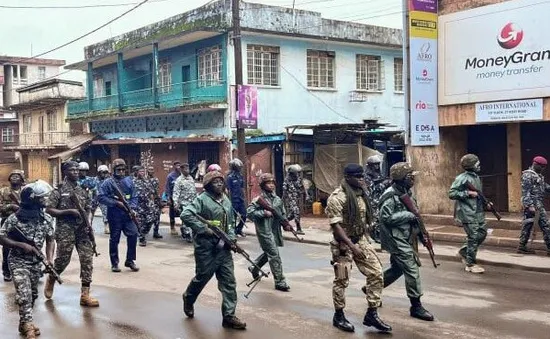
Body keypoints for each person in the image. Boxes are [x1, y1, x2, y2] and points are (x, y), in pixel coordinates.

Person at [325, 163, 391, 333]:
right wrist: (352, 247)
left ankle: (372, 313)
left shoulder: (361, 194)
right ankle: (339, 315)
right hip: (343, 244)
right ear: (347, 177)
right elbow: (336, 227)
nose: (362, 179)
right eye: (358, 176)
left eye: (362, 176)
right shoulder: (337, 197)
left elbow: (363, 218)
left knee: (376, 273)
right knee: (342, 280)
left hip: (360, 239)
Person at [181, 170, 246, 330]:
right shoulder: (202, 200)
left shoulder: (226, 200)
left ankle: (229, 316)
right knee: (202, 277)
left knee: (229, 282)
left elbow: (230, 222)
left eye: (221, 182)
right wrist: (204, 229)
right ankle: (188, 298)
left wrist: (231, 239)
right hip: (206, 249)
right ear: (208, 185)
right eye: (215, 182)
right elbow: (186, 214)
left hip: (224, 249)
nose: (219, 184)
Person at [379, 162, 434, 322]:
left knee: (397, 270)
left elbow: (416, 216)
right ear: (402, 178)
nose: (413, 180)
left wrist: (422, 236)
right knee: (411, 269)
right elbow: (386, 218)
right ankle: (416, 306)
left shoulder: (407, 193)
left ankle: (372, 288)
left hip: (407, 237)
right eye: (410, 177)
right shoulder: (390, 195)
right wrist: (407, 215)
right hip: (396, 239)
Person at [0, 180, 55, 339]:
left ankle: (24, 323)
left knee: (32, 295)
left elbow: (51, 239)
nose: (45, 201)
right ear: (32, 199)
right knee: (24, 294)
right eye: (41, 198)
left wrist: (49, 259)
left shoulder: (46, 218)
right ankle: (29, 326)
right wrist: (19, 245)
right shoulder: (14, 218)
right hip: (18, 261)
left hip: (36, 263)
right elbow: (1, 236)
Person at [44, 161, 99, 307]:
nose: (76, 172)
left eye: (77, 169)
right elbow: (49, 209)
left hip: (82, 230)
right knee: (63, 260)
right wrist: (67, 212)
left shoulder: (83, 189)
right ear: (65, 172)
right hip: (65, 230)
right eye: (72, 170)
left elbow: (88, 208)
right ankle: (52, 278)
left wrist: (88, 224)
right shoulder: (59, 190)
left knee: (87, 260)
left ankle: (85, 294)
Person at [247, 173, 291, 291]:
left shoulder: (277, 199)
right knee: (274, 254)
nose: (271, 185)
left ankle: (254, 267)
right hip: (264, 231)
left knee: (270, 253)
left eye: (272, 183)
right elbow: (250, 213)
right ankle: (280, 281)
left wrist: (286, 223)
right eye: (268, 183)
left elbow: (282, 213)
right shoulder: (259, 199)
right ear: (263, 185)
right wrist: (263, 213)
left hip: (275, 230)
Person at [449, 154, 490, 273]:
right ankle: (470, 264)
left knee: (482, 234)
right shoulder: (462, 178)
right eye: (477, 164)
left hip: (478, 212)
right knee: (473, 238)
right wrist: (467, 193)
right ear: (472, 166)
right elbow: (452, 193)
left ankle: (464, 251)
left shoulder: (476, 177)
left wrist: (486, 203)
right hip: (468, 213)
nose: (479, 166)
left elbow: (478, 194)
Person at [98, 158, 140, 273]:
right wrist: (116, 203)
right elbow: (101, 197)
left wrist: (133, 208)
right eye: (118, 170)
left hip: (127, 214)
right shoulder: (108, 182)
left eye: (123, 169)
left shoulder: (129, 181)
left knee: (133, 234)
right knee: (114, 239)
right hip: (114, 214)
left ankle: (130, 260)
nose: (121, 172)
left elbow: (134, 196)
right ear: (114, 170)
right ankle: (114, 263)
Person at [518, 156, 550, 255]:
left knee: (528, 225)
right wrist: (529, 205)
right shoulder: (528, 175)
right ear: (535, 164)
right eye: (542, 166)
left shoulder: (538, 175)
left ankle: (522, 247)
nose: (543, 169)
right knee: (545, 225)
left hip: (537, 204)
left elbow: (544, 186)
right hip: (533, 205)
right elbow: (525, 192)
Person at [0, 169, 25, 282]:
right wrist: (10, 206)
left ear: (21, 179)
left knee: (27, 246)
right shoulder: (3, 191)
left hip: (24, 222)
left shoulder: (26, 191)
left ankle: (29, 270)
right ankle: (7, 271)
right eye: (12, 176)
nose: (15, 177)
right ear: (9, 179)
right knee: (7, 248)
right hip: (7, 221)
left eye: (17, 176)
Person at [364, 155, 391, 243]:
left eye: (378, 164)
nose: (377, 166)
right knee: (375, 219)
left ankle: (382, 235)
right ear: (370, 165)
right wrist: (384, 184)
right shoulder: (366, 176)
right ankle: (375, 236)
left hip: (382, 199)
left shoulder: (379, 174)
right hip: (372, 201)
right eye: (374, 164)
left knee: (382, 217)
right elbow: (372, 189)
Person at [172, 163, 197, 242]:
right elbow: (176, 192)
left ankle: (189, 232)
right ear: (182, 170)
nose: (187, 170)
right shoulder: (179, 180)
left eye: (188, 169)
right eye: (185, 169)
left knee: (193, 218)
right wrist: (175, 203)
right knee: (186, 219)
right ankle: (187, 235)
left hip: (192, 202)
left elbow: (194, 190)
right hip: (183, 203)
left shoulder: (190, 178)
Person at [133, 166, 157, 247]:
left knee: (150, 221)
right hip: (138, 206)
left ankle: (143, 233)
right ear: (136, 172)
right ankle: (142, 238)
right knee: (140, 222)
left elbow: (153, 192)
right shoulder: (133, 182)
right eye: (140, 171)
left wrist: (154, 202)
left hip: (148, 205)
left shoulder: (147, 181)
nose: (142, 173)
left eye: (143, 171)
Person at [283, 164, 307, 235]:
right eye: (297, 172)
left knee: (293, 214)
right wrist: (282, 200)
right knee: (296, 211)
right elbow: (284, 191)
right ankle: (298, 228)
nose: (298, 174)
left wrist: (306, 195)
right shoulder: (287, 180)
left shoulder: (298, 178)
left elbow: (303, 187)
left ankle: (284, 222)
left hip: (297, 198)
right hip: (290, 199)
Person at [226, 159, 247, 237]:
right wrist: (229, 201)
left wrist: (244, 198)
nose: (240, 168)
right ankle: (233, 231)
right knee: (233, 218)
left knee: (244, 215)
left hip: (240, 200)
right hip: (233, 200)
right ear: (235, 167)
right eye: (239, 167)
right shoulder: (230, 177)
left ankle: (239, 229)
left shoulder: (240, 176)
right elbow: (227, 190)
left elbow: (242, 188)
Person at [165, 161, 182, 236]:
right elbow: (167, 187)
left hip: (181, 198)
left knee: (182, 213)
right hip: (173, 198)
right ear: (174, 166)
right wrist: (168, 198)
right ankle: (172, 227)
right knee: (172, 213)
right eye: (177, 165)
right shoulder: (170, 176)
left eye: (179, 165)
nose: (178, 167)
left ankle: (183, 228)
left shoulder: (182, 175)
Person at [147, 166, 163, 239]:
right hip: (147, 202)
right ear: (147, 170)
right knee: (147, 218)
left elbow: (157, 190)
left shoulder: (156, 179)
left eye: (152, 170)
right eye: (149, 169)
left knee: (157, 217)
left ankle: (156, 232)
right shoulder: (144, 180)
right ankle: (143, 232)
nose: (151, 171)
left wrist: (159, 201)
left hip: (156, 201)